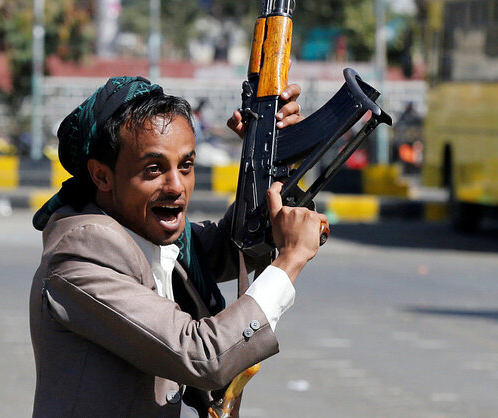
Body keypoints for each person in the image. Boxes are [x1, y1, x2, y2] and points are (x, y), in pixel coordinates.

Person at [29, 76, 324, 417]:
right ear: (102, 176)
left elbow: (238, 241)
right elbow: (201, 355)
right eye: (153, 169)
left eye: (186, 166)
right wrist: (291, 258)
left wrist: (269, 156)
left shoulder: (154, 233)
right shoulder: (85, 250)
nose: (176, 186)